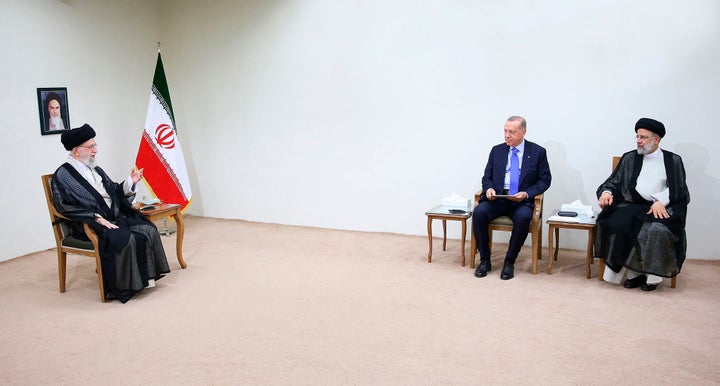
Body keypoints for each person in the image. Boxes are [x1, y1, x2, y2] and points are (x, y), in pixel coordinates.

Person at [51, 124, 170, 302]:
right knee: (126, 238)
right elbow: (62, 206)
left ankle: (146, 280)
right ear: (76, 150)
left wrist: (131, 182)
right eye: (91, 147)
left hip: (113, 216)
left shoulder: (95, 168)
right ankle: (124, 287)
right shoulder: (63, 175)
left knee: (148, 229)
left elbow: (113, 189)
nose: (95, 150)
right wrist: (95, 218)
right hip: (87, 224)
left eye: (95, 145)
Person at [595, 118, 689, 291]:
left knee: (656, 230)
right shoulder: (630, 158)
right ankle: (634, 274)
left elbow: (679, 188)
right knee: (620, 223)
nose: (639, 140)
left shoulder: (673, 160)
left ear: (656, 139)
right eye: (637, 136)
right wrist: (607, 193)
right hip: (632, 205)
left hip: (661, 207)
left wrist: (661, 201)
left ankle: (651, 277)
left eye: (643, 137)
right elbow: (614, 182)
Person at [472, 116, 552, 280]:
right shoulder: (497, 150)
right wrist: (489, 189)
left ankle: (509, 261)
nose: (507, 135)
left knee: (523, 217)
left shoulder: (538, 152)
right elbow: (486, 177)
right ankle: (485, 260)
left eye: (512, 132)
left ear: (523, 132)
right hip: (499, 198)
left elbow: (545, 180)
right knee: (479, 212)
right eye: (505, 131)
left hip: (521, 199)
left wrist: (527, 193)